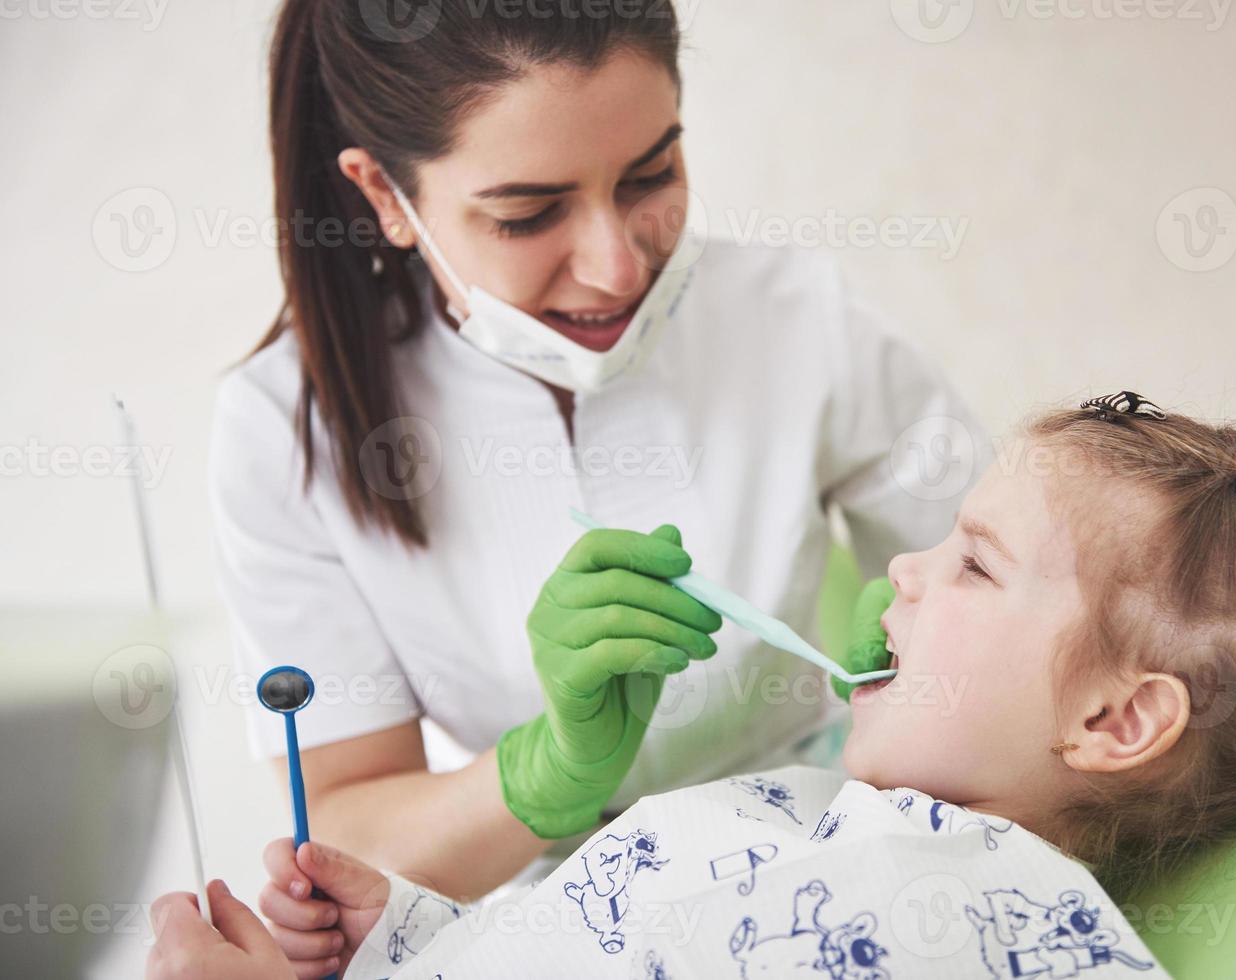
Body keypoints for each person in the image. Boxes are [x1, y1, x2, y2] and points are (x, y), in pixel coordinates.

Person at [156, 395, 1236, 978]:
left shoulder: (964, 914)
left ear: (1114, 720)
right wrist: (402, 932)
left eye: (972, 562)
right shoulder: (819, 822)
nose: (902, 573)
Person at [210, 0, 978, 901]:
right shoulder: (285, 426)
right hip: (535, 906)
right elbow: (342, 830)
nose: (616, 267)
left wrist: (933, 669)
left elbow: (1034, 589)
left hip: (822, 846)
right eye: (528, 215)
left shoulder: (796, 317)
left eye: (650, 176)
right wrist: (540, 777)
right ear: (384, 194)